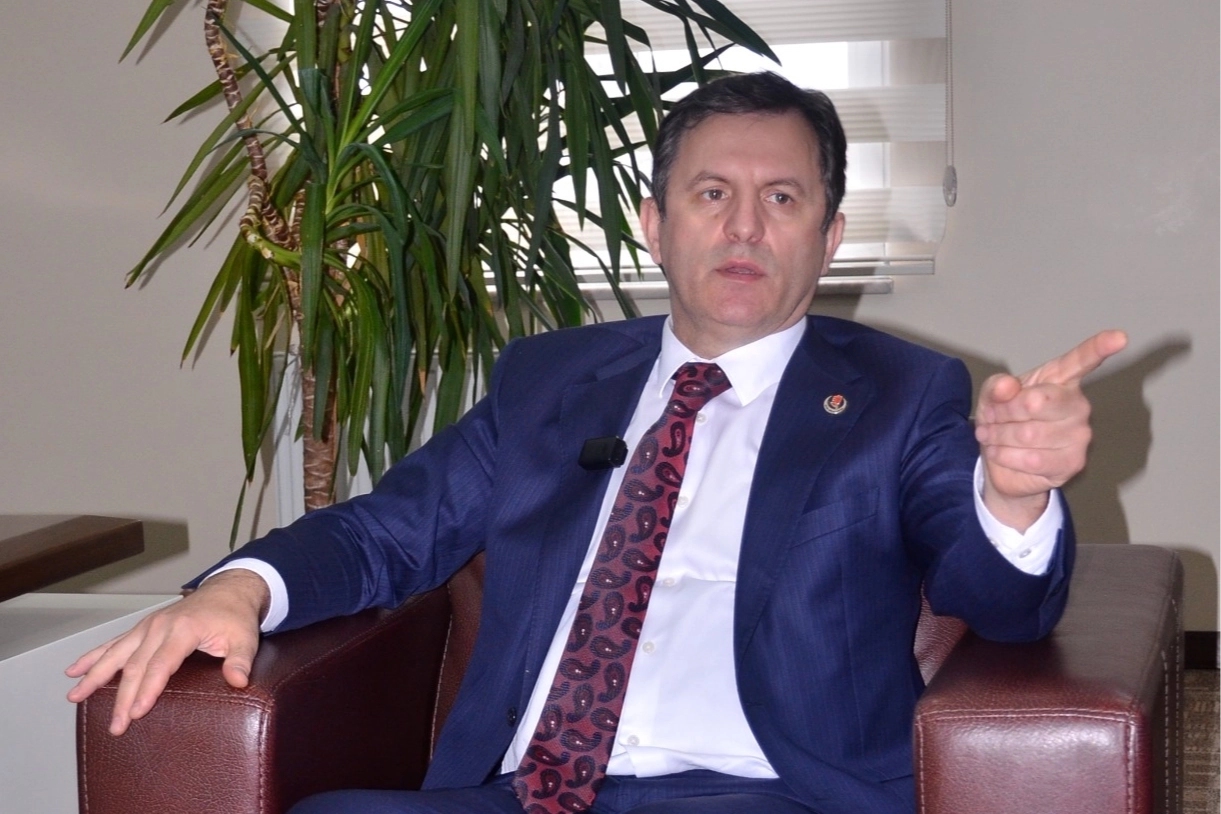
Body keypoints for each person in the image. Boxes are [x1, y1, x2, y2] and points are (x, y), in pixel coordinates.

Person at [67, 72, 1127, 814]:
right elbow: (391, 532)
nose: (745, 227)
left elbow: (1005, 605)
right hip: (519, 794)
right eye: (711, 195)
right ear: (656, 224)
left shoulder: (903, 395)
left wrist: (1013, 494)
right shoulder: (549, 384)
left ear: (829, 235)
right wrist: (239, 589)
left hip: (771, 793)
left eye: (782, 198)